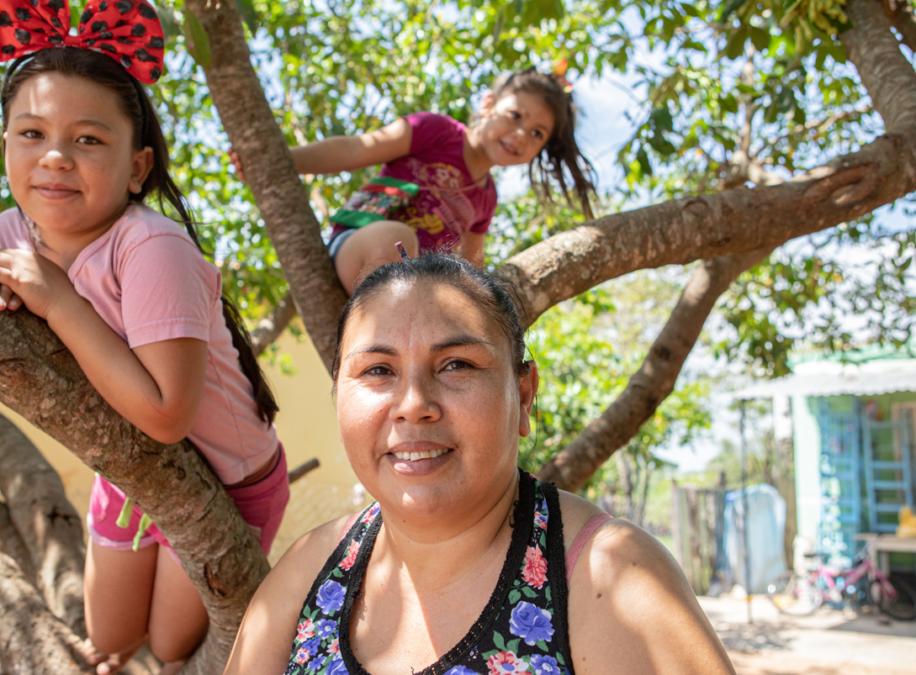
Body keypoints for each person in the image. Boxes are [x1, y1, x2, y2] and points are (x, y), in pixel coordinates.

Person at [223, 255, 736, 675]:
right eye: (378, 370)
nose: (414, 403)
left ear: (525, 394)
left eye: (457, 365)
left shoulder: (609, 576)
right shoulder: (312, 567)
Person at [0, 2, 289, 673]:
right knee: (110, 640)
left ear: (137, 167)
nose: (54, 157)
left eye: (88, 140)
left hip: (228, 481)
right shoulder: (7, 235)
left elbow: (168, 414)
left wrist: (54, 297)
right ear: (4, 147)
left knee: (170, 646)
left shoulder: (150, 246)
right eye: (30, 133)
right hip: (127, 467)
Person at [229, 65, 595, 293]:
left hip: (412, 291)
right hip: (360, 250)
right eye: (515, 115)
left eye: (536, 134)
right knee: (398, 239)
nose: (520, 134)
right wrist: (280, 161)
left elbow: (468, 270)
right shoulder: (435, 131)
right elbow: (356, 151)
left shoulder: (486, 199)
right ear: (488, 105)